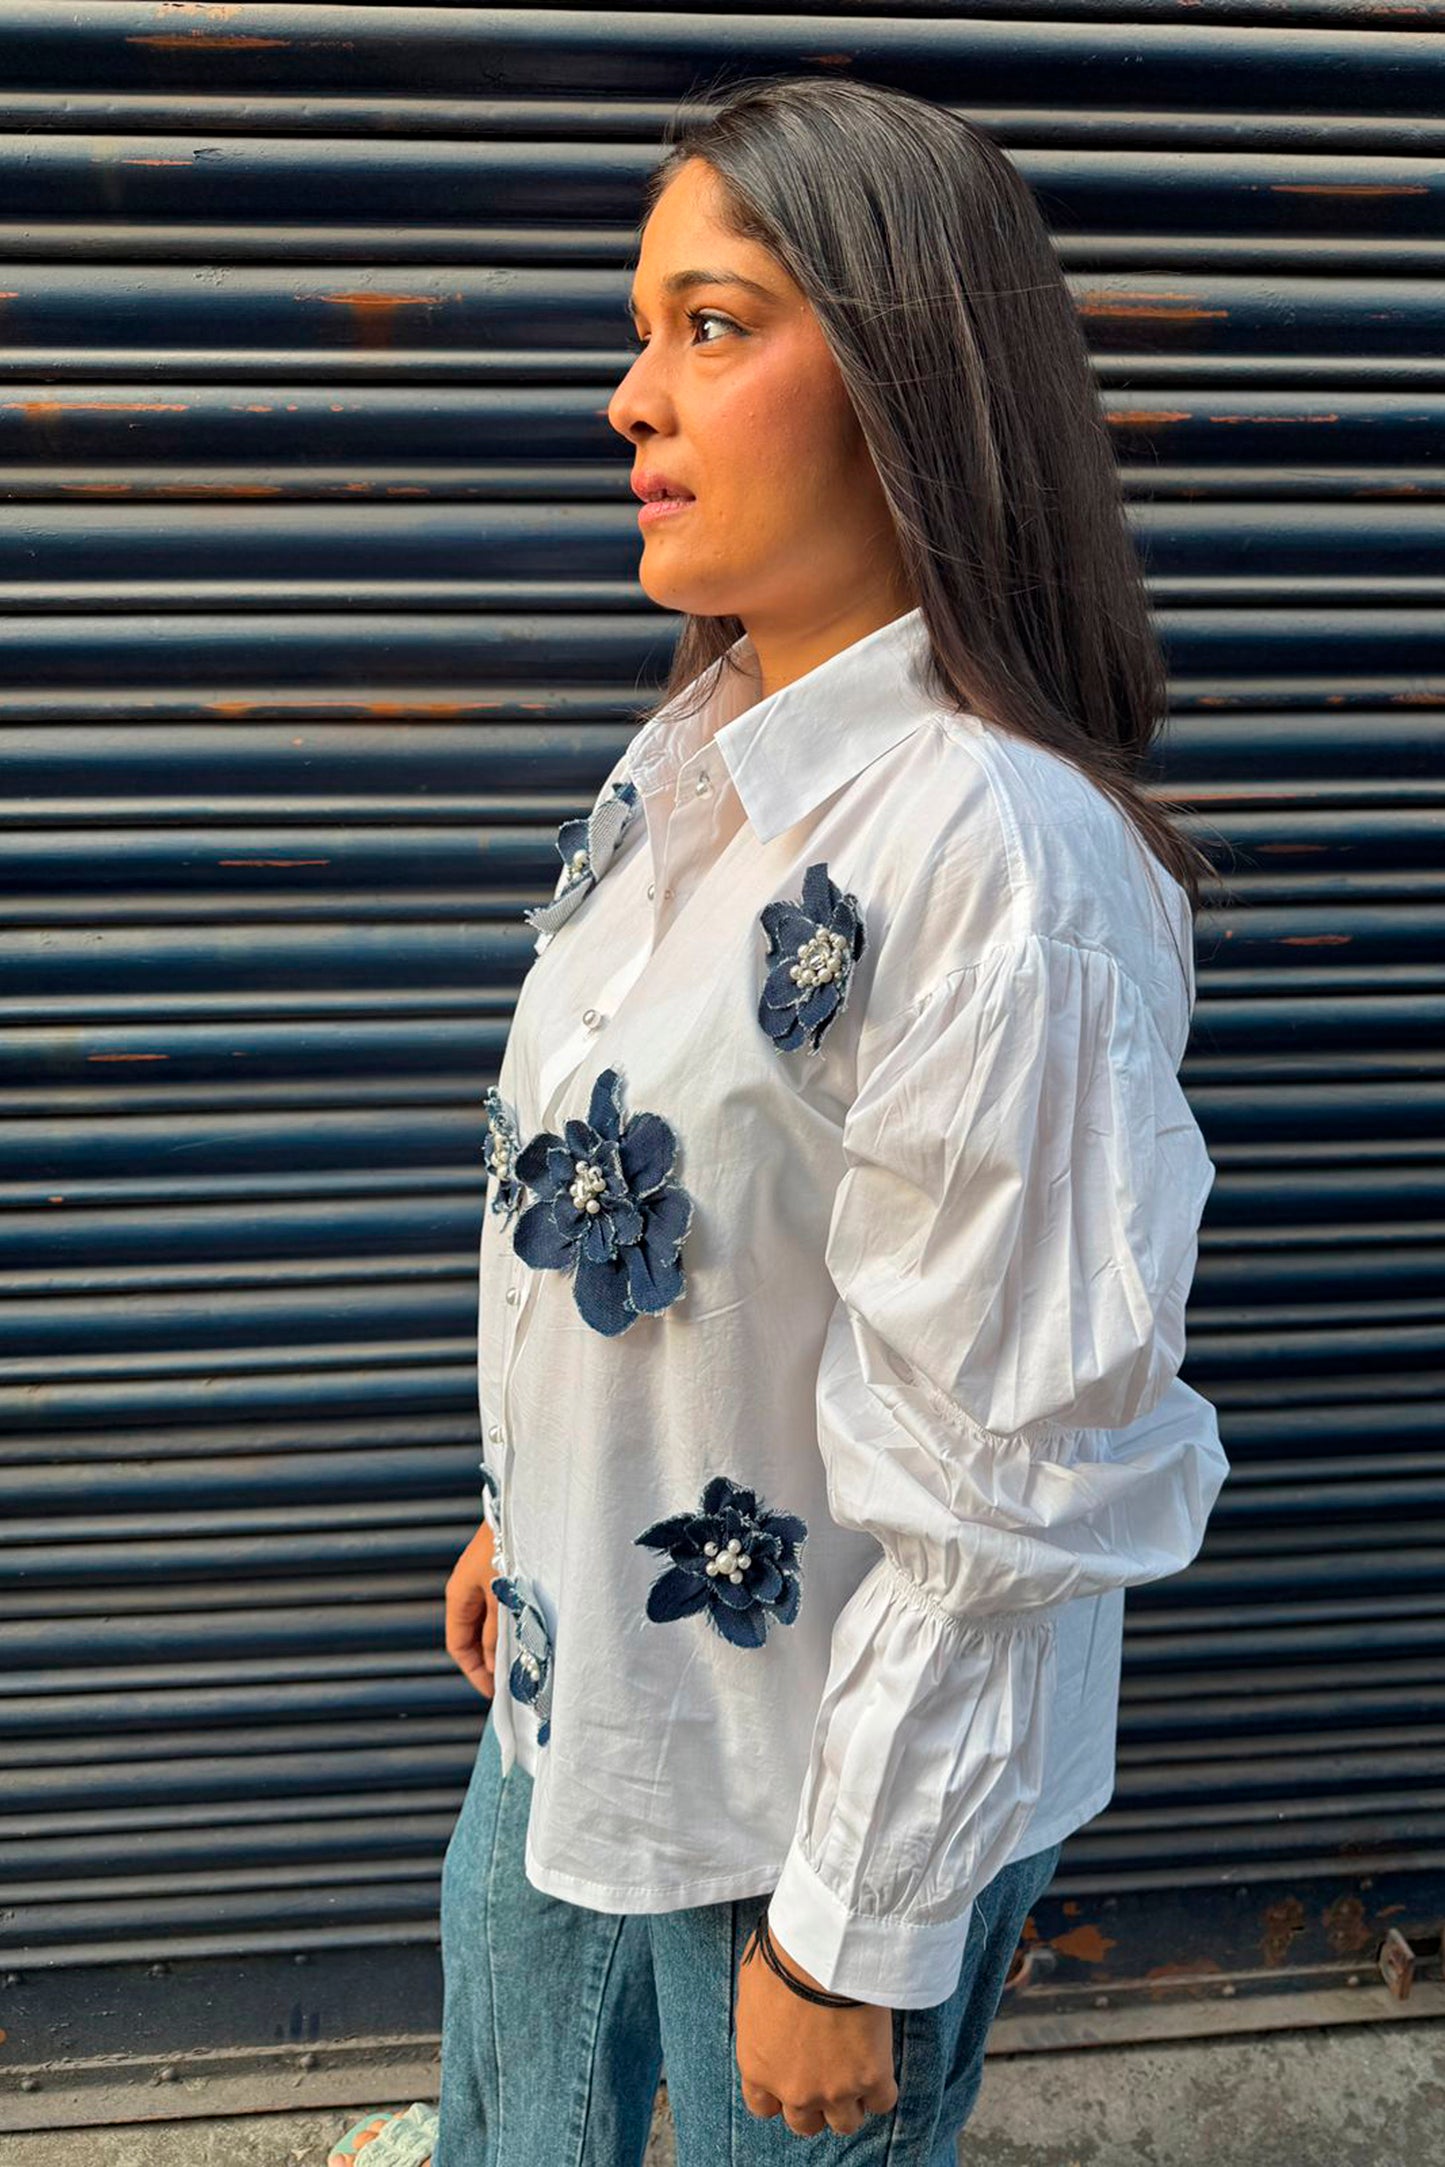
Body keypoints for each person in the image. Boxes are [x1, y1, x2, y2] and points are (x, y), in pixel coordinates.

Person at [328, 71, 1229, 2167]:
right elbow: (672, 1224)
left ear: (911, 376)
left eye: (711, 327)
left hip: (809, 1809)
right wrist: (535, 1499)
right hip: (598, 1711)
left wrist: (849, 1940)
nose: (630, 399)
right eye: (642, 330)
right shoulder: (710, 756)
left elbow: (1016, 1458)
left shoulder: (998, 857)